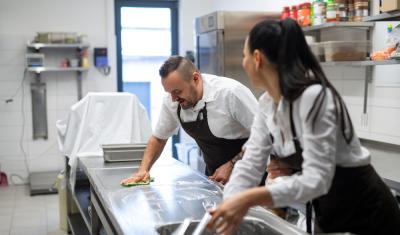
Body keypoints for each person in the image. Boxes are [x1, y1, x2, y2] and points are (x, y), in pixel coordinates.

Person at [207, 18, 400, 235]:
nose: (243, 62)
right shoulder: (267, 104)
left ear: (257, 58)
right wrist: (229, 204)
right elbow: (251, 163)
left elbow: (316, 179)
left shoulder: (314, 97)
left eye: (244, 56)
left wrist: (249, 198)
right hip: (329, 211)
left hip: (367, 212)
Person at [121, 56, 258, 186]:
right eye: (169, 92)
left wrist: (233, 164)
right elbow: (159, 138)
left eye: (177, 91)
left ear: (196, 78)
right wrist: (143, 170)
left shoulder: (230, 93)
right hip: (216, 178)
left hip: (252, 175)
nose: (174, 98)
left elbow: (266, 136)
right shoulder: (172, 101)